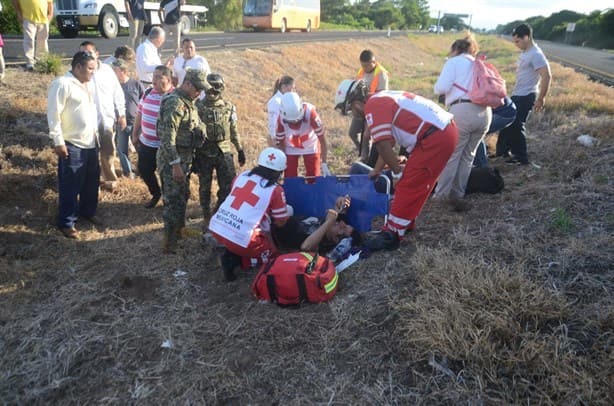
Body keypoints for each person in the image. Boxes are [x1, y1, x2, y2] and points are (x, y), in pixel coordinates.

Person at [335, 79, 458, 249]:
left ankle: (391, 234)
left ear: (356, 103)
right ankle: (405, 222)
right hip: (442, 131)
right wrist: (377, 170)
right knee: (418, 183)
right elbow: (389, 143)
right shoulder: (380, 99)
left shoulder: (373, 106)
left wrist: (397, 173)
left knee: (407, 184)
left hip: (434, 136)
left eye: (351, 110)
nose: (354, 115)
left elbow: (383, 145)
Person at [209, 147, 290, 281]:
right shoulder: (275, 190)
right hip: (243, 238)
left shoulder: (241, 176)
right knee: (272, 257)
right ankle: (235, 260)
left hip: (218, 228)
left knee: (257, 223)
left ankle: (232, 251)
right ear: (280, 171)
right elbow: (281, 222)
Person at [432, 35, 492, 210]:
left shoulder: (454, 62)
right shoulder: (478, 63)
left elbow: (440, 88)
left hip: (463, 111)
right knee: (468, 156)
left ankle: (441, 196)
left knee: (452, 155)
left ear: (455, 49)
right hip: (485, 113)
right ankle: (458, 194)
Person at [47, 51, 99, 239]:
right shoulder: (62, 84)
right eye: (90, 69)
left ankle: (87, 212)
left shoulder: (87, 84)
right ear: (78, 67)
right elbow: (53, 115)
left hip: (91, 142)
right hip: (72, 144)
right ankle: (66, 222)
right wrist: (58, 141)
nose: (93, 72)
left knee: (90, 182)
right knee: (70, 185)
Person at [156, 68, 208, 253]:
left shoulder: (189, 101)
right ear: (187, 84)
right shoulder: (175, 104)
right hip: (173, 162)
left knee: (181, 197)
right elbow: (167, 139)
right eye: (197, 89)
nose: (200, 93)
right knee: (172, 203)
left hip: (184, 160)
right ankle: (169, 244)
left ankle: (179, 231)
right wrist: (176, 165)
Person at [496, 23, 551, 165]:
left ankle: (521, 158)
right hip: (517, 93)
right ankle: (501, 153)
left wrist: (541, 98)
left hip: (527, 95)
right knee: (507, 122)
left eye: (517, 41)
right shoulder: (526, 52)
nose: (516, 44)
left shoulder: (536, 54)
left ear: (526, 37)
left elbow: (546, 76)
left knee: (516, 125)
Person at [194, 73, 246, 222]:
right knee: (204, 187)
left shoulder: (229, 107)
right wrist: (194, 156)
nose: (212, 91)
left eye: (216, 87)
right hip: (204, 153)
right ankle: (206, 215)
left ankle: (219, 211)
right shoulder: (197, 107)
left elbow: (233, 129)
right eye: (210, 86)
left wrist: (240, 149)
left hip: (223, 152)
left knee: (228, 186)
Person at [79, 41, 127, 192]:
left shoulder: (107, 70)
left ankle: (110, 180)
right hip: (88, 121)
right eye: (82, 53)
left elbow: (117, 92)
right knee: (90, 155)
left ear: (97, 54)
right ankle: (92, 184)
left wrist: (122, 113)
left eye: (88, 53)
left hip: (106, 119)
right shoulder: (79, 71)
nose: (85, 56)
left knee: (108, 152)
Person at [131, 65, 174, 208]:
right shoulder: (148, 92)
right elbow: (140, 113)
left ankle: (168, 202)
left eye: (158, 77)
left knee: (166, 176)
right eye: (153, 76)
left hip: (164, 146)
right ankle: (156, 193)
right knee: (144, 170)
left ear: (167, 79)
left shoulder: (174, 96)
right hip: (146, 143)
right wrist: (135, 133)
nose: (153, 80)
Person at [274, 91, 329, 179]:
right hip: (290, 147)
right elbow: (280, 144)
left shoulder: (311, 113)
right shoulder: (280, 119)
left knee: (313, 177)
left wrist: (324, 163)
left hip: (310, 144)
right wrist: (281, 164)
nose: (295, 124)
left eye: (298, 121)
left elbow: (322, 139)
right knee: (290, 179)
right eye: (290, 122)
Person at [352, 49, 389, 164]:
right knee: (352, 132)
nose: (364, 68)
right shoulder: (361, 71)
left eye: (366, 66)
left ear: (373, 62)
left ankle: (366, 159)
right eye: (362, 65)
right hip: (361, 107)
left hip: (374, 109)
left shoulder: (381, 73)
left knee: (367, 136)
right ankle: (362, 152)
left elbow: (382, 95)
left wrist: (366, 96)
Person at [112, 58, 144, 178]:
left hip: (137, 123)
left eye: (115, 70)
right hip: (121, 123)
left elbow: (143, 100)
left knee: (140, 148)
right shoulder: (113, 86)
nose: (113, 73)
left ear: (124, 71)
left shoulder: (135, 84)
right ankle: (128, 172)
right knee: (122, 149)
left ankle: (142, 170)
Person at [473, 96, 517, 167]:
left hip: (503, 113)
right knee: (476, 132)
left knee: (476, 133)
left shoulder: (474, 87)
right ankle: (479, 162)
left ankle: (481, 165)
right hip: (507, 111)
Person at [12, 0, 52, 70]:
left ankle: (41, 61)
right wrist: (18, 13)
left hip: (43, 19)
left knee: (42, 41)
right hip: (28, 18)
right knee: (29, 40)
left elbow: (50, 4)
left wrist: (50, 16)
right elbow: (15, 1)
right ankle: (30, 63)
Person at [266, 75, 295, 145]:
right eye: (292, 89)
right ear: (284, 87)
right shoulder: (275, 101)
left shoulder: (286, 100)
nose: (293, 91)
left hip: (286, 137)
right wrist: (274, 139)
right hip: (277, 139)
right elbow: (273, 122)